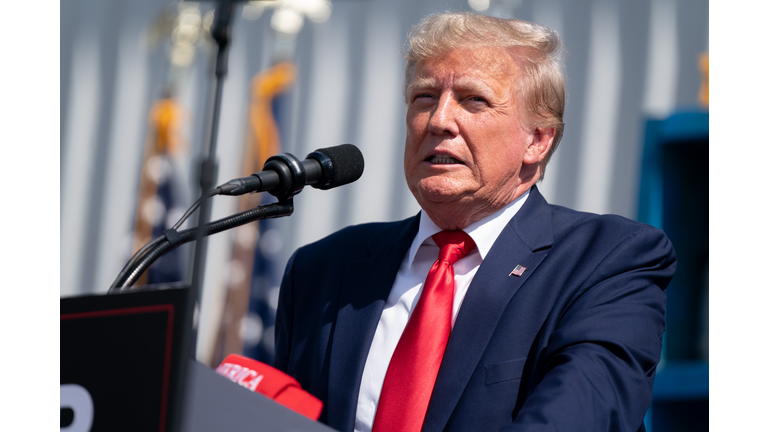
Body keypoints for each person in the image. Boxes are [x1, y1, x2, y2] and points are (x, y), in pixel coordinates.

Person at [274, 11, 676, 432]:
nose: (439, 120)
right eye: (424, 97)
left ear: (537, 140)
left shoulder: (606, 259)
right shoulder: (322, 269)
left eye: (473, 100)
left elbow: (582, 411)